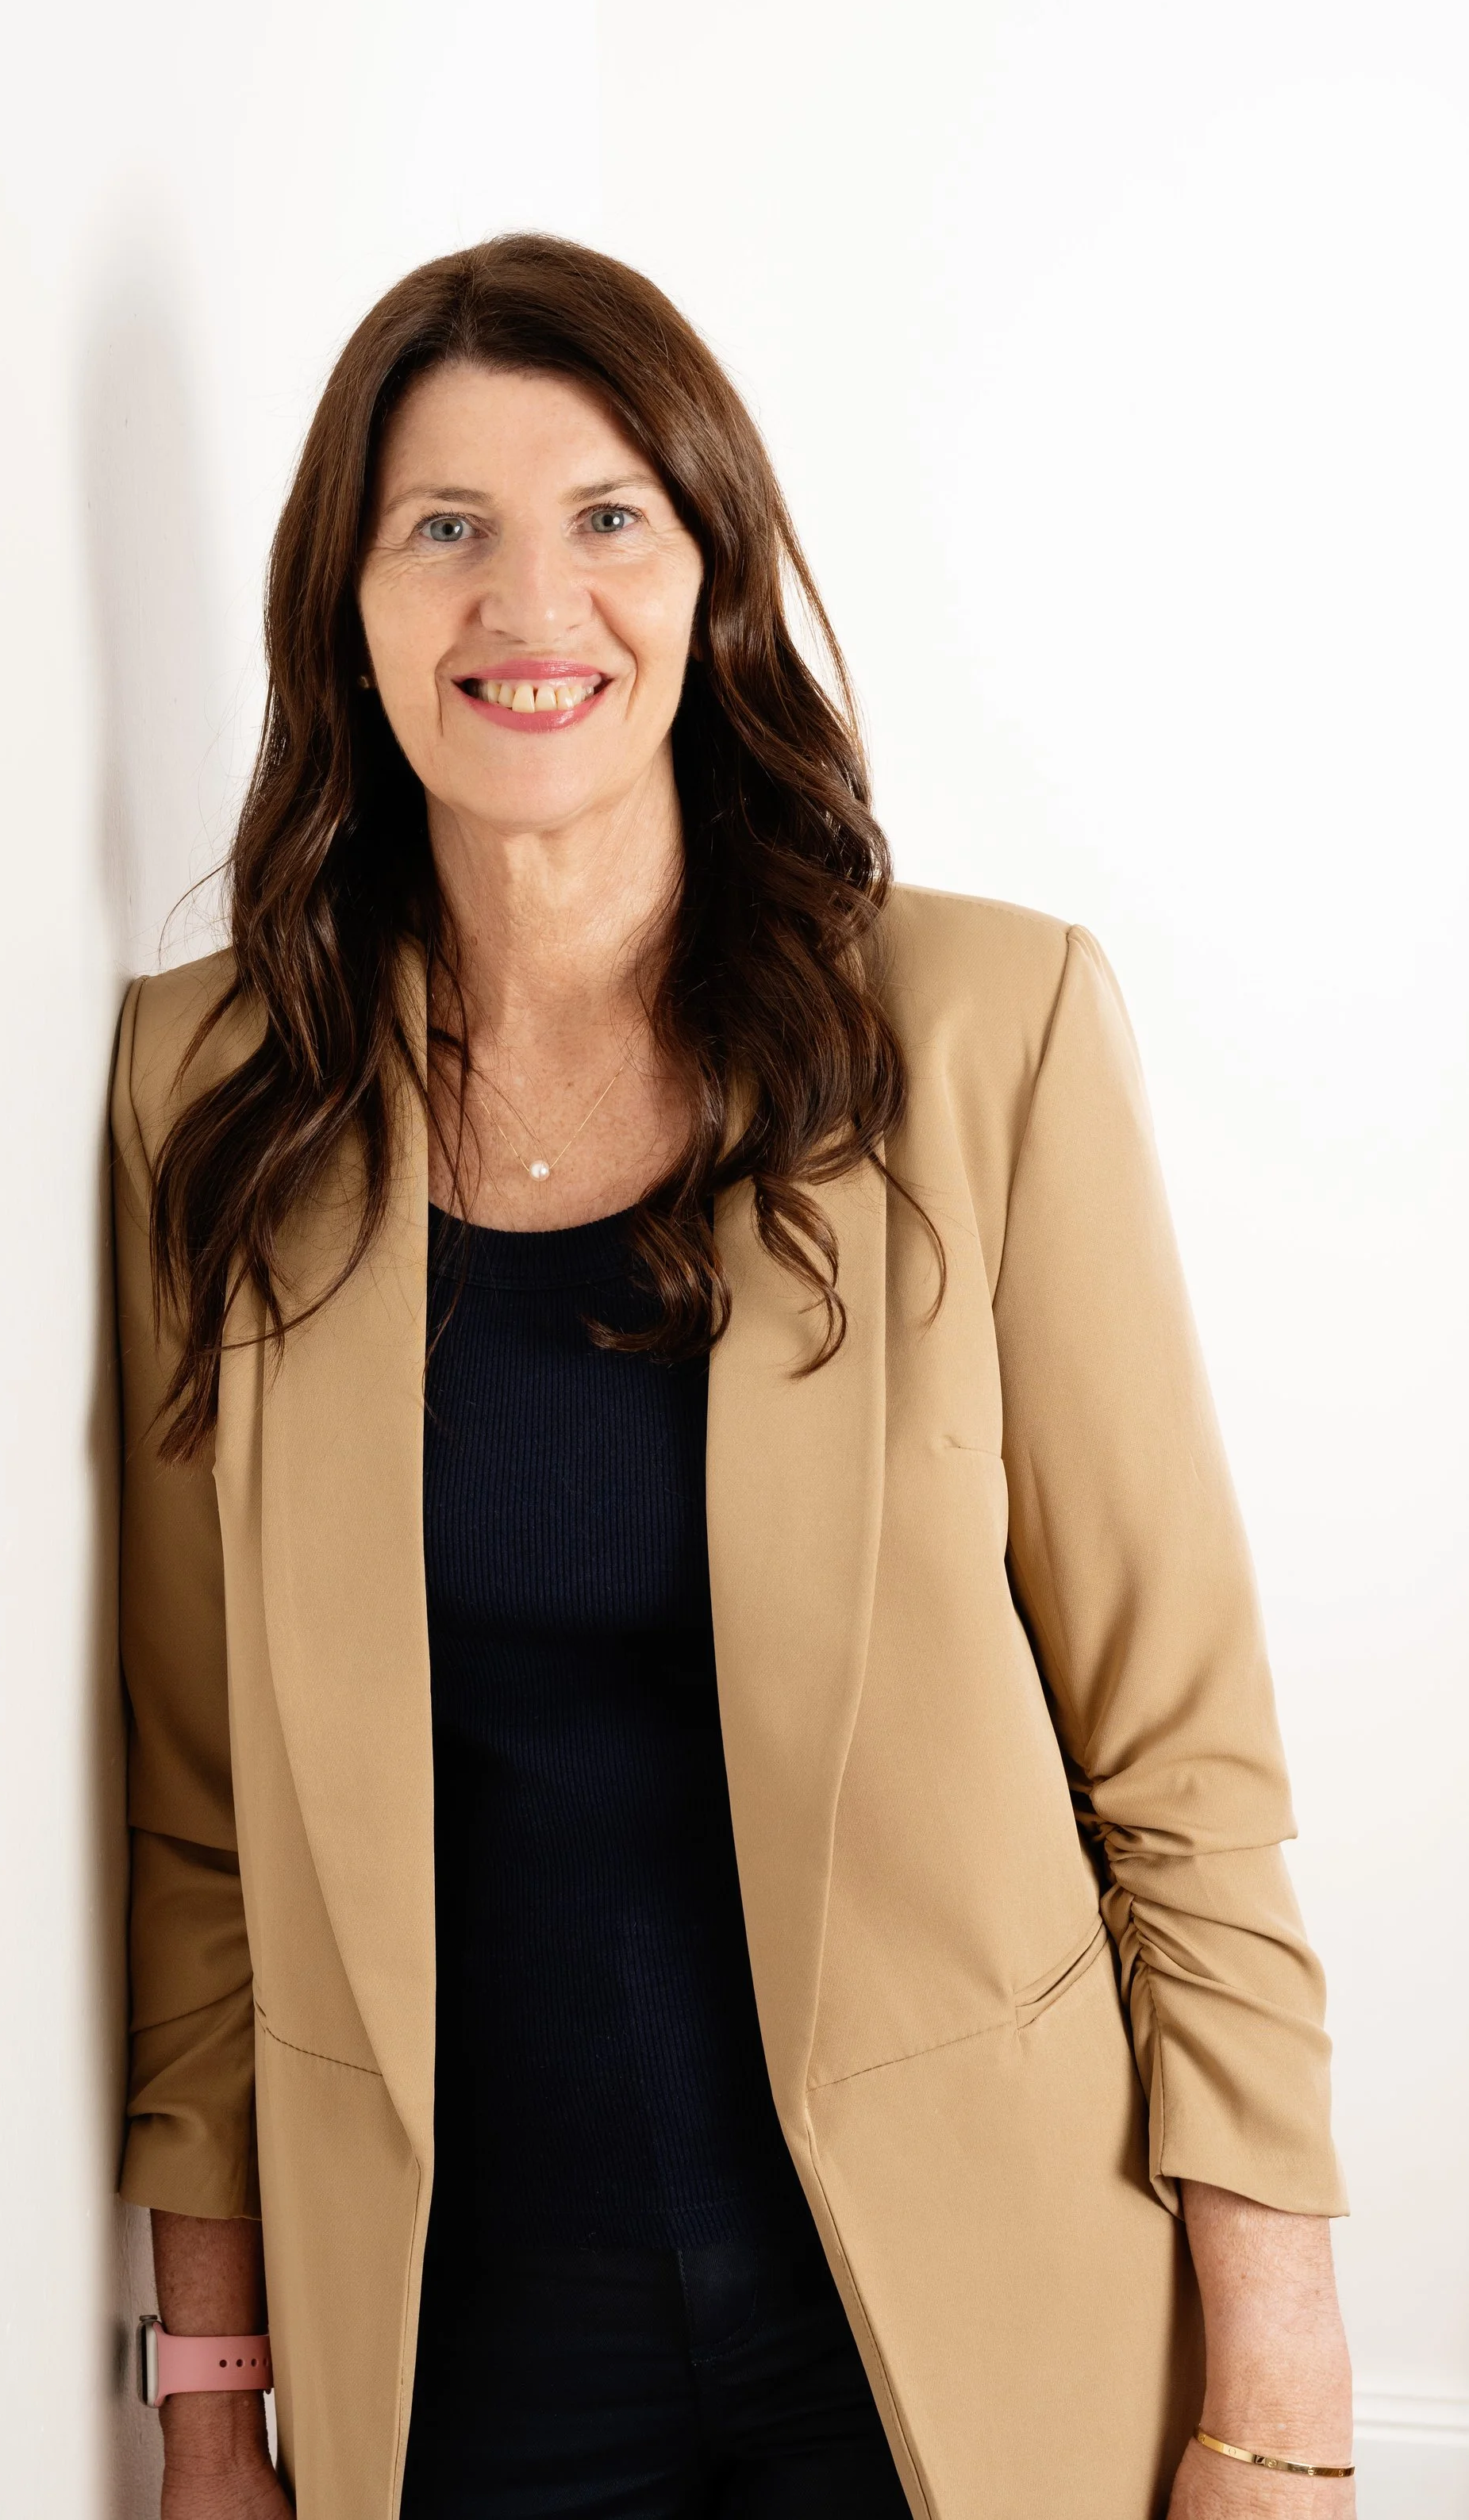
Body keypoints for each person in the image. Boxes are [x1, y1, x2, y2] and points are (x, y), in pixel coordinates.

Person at [110, 235, 1352, 2519]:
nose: (530, 602)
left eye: (608, 516)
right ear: (345, 608)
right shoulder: (213, 1095)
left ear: (712, 572)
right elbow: (196, 1826)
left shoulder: (981, 1035)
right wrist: (211, 2400)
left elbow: (1179, 1765)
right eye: (443, 527)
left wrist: (1274, 2399)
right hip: (469, 2347)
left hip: (970, 2311)